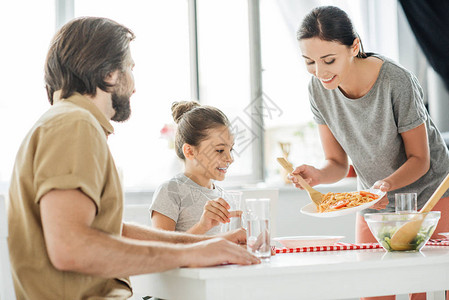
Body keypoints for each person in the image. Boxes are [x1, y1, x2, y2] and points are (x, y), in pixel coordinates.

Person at [7, 17, 259, 300]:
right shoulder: (74, 125)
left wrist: (207, 243)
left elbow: (114, 231)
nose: (135, 85)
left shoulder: (66, 122)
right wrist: (190, 252)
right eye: (130, 68)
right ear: (110, 73)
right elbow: (71, 247)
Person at [290, 6, 449, 300]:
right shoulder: (318, 89)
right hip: (375, 201)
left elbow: (420, 159)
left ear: (354, 47)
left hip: (432, 194)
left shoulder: (396, 80)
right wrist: (318, 174)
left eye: (328, 60)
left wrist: (385, 185)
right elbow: (337, 163)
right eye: (309, 62)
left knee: (424, 287)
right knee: (373, 288)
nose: (320, 71)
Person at [150, 101, 240, 235]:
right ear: (190, 151)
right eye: (220, 150)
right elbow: (161, 252)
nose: (230, 158)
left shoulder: (225, 197)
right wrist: (202, 226)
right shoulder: (171, 192)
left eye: (231, 149)